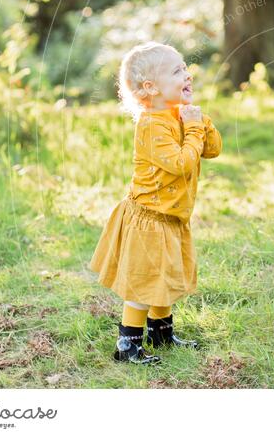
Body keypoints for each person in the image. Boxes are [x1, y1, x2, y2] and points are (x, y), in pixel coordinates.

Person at [89, 41, 222, 364]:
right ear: (150, 87)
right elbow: (180, 164)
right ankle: (128, 344)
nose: (187, 74)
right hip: (149, 219)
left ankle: (161, 333)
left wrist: (201, 121)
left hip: (171, 217)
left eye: (185, 68)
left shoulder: (179, 115)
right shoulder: (151, 125)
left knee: (166, 276)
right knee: (144, 281)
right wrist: (192, 129)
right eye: (177, 71)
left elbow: (213, 149)